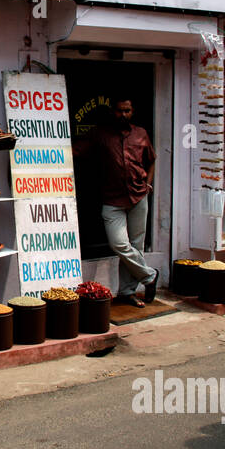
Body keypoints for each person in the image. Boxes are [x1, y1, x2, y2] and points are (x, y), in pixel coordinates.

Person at [78, 98, 159, 307]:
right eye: (120, 111)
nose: (123, 115)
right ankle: (149, 276)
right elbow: (77, 150)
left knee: (136, 245)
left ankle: (126, 292)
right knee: (119, 244)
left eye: (127, 111)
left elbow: (151, 160)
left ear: (132, 112)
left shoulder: (140, 133)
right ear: (112, 112)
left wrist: (148, 186)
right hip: (112, 199)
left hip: (139, 196)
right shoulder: (100, 134)